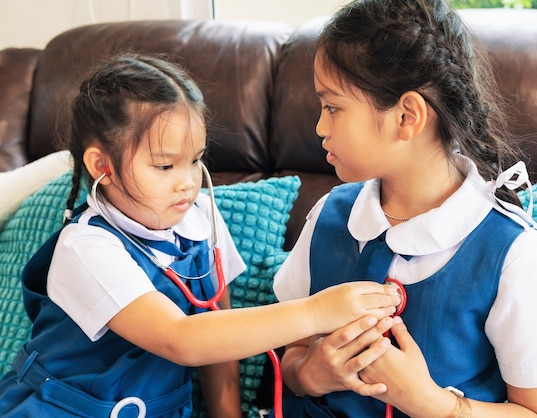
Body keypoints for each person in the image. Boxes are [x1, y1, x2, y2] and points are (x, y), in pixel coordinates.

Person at [0, 53, 402, 418]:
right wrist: (316, 311)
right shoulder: (85, 248)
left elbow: (217, 335)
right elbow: (183, 340)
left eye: (195, 160)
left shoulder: (202, 220)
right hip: (62, 407)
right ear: (101, 164)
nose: (188, 183)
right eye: (164, 166)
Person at [272, 0, 537, 416]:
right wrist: (308, 374)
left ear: (407, 116)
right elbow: (288, 349)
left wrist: (431, 403)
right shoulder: (330, 215)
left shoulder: (515, 256)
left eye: (332, 107)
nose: (319, 127)